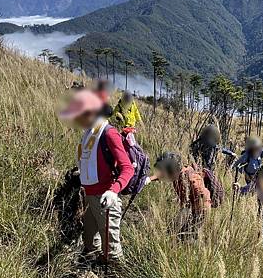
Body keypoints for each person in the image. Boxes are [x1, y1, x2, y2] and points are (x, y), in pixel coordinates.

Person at [60, 89, 134, 263]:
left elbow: (127, 168)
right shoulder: (89, 133)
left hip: (105, 198)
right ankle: (94, 276)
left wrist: (113, 190)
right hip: (89, 196)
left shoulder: (109, 133)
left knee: (112, 250)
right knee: (91, 243)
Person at [150, 152, 211, 239]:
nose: (164, 176)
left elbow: (202, 196)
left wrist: (190, 213)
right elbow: (162, 175)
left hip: (200, 210)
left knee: (184, 236)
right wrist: (149, 179)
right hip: (188, 208)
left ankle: (194, 243)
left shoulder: (191, 179)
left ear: (173, 171)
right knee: (172, 230)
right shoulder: (177, 173)